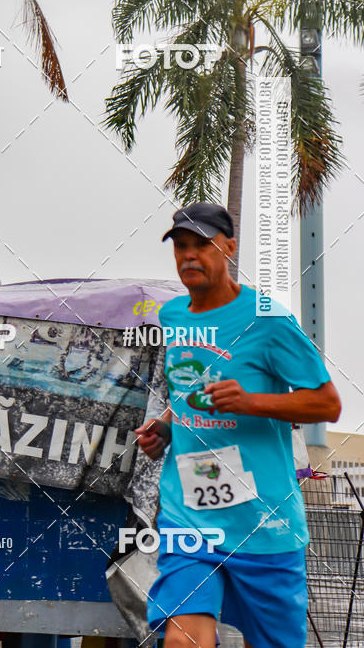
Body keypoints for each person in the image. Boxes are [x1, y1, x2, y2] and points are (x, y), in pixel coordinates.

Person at [135, 201, 341, 648]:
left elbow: (326, 405)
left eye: (202, 245)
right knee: (182, 639)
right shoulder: (172, 316)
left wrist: (251, 402)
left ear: (228, 248)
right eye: (181, 246)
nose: (189, 255)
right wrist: (167, 426)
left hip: (263, 523)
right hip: (189, 515)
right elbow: (190, 389)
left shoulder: (267, 319)